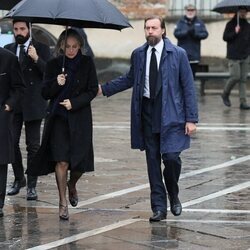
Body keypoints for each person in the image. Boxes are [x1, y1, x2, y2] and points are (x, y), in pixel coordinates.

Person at [98, 16, 198, 222]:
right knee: (152, 162)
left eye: (154, 28)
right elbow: (129, 78)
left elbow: (188, 87)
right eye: (147, 28)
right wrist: (103, 89)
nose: (150, 31)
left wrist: (191, 119)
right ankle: (159, 207)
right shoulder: (139, 54)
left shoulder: (178, 54)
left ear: (163, 30)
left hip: (172, 115)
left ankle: (173, 193)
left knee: (171, 159)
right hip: (147, 114)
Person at [26, 28, 98, 220]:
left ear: (80, 46)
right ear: (61, 46)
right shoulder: (54, 64)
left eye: (75, 47)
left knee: (79, 164)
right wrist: (56, 83)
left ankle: (72, 184)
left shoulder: (87, 63)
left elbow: (92, 90)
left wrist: (74, 103)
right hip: (58, 119)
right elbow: (45, 93)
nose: (71, 50)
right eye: (68, 47)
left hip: (80, 118)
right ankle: (62, 202)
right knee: (62, 161)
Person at [4, 20, 51, 200]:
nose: (19, 32)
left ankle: (32, 185)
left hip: (34, 103)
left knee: (33, 146)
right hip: (14, 103)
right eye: (16, 29)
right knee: (11, 142)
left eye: (22, 29)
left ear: (29, 29)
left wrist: (36, 58)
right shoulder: (8, 48)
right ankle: (19, 178)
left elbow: (49, 74)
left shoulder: (42, 48)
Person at [0, 47, 25, 217]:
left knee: (0, 161)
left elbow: (18, 87)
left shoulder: (8, 58)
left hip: (1, 115)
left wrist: (9, 105)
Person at [221, 7, 250, 110]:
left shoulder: (247, 25)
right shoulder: (231, 24)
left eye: (245, 12)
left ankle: (243, 102)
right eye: (241, 12)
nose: (243, 13)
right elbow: (225, 37)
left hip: (245, 56)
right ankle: (225, 93)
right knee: (235, 77)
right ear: (237, 12)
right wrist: (235, 32)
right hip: (234, 56)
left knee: (243, 80)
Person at [174, 4, 208, 78]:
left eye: (192, 10)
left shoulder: (199, 22)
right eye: (188, 10)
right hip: (182, 54)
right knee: (181, 77)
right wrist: (186, 32)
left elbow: (205, 34)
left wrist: (195, 34)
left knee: (192, 77)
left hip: (194, 55)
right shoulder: (180, 22)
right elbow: (176, 33)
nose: (190, 12)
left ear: (195, 11)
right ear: (185, 11)